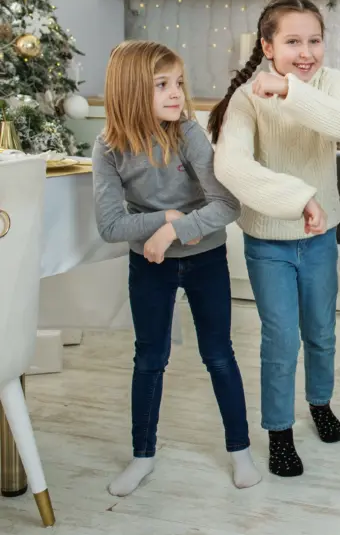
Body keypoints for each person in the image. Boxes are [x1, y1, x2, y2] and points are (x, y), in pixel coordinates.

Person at [208, 0, 340, 477]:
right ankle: (279, 431)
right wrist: (299, 198)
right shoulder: (245, 98)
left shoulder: (331, 83)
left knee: (321, 332)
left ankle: (320, 403)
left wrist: (290, 90)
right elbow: (231, 165)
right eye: (292, 41)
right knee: (281, 340)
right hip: (268, 240)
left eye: (314, 40)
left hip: (321, 238)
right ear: (267, 45)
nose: (306, 52)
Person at [93, 40, 258, 495]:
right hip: (149, 267)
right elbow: (109, 226)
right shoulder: (108, 148)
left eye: (179, 84)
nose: (177, 95)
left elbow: (226, 204)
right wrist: (162, 220)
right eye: (162, 85)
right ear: (129, 90)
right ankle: (142, 456)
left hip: (205, 260)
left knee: (219, 355)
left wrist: (175, 230)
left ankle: (240, 451)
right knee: (149, 359)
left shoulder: (188, 134)